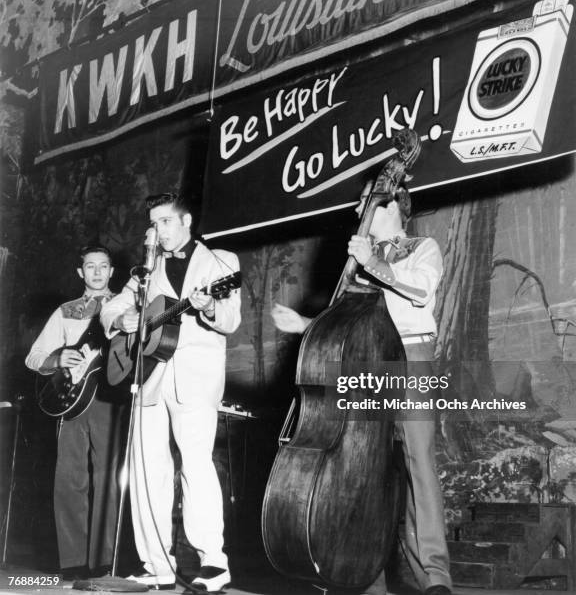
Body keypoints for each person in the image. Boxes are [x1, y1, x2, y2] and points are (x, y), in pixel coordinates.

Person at [271, 179, 452, 595]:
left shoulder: (422, 248)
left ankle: (435, 578)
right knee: (361, 465)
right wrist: (305, 325)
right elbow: (345, 320)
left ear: (394, 205)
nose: (359, 212)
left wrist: (373, 263)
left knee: (418, 464)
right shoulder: (357, 258)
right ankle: (359, 571)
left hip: (410, 357)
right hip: (364, 362)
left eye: (367, 203)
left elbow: (421, 292)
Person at [100, 192, 241, 593]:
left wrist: (209, 309)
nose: (157, 230)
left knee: (195, 465)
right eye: (154, 223)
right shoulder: (147, 268)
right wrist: (123, 317)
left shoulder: (221, 262)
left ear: (186, 221)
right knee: (147, 468)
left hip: (194, 378)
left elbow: (230, 318)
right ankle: (156, 564)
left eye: (165, 222)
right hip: (147, 376)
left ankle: (213, 563)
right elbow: (112, 308)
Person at [25, 245, 122, 580]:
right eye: (90, 266)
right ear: (80, 273)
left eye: (103, 266)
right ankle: (73, 562)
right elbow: (33, 356)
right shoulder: (64, 310)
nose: (97, 272)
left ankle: (102, 561)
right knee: (68, 481)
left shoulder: (127, 305)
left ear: (112, 271)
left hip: (112, 399)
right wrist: (57, 358)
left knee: (109, 480)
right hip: (71, 401)